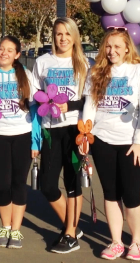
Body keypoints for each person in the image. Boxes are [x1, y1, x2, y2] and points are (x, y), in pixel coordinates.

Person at [81, 27, 140, 261]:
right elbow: (90, 107)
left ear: (127, 48)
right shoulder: (96, 72)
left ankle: (136, 242)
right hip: (102, 140)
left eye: (117, 47)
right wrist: (85, 136)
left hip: (130, 142)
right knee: (110, 194)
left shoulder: (139, 71)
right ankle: (116, 242)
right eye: (108, 47)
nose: (112, 51)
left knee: (131, 194)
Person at [32, 17, 88, 254]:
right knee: (47, 185)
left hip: (75, 130)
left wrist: (72, 106)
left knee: (73, 183)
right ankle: (72, 225)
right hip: (50, 129)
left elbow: (91, 99)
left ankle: (70, 234)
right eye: (58, 34)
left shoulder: (84, 63)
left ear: (74, 36)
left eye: (67, 34)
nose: (63, 38)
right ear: (53, 36)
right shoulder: (42, 62)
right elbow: (35, 93)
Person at [0, 36, 41, 249]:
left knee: (18, 183)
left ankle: (16, 230)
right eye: (1, 48)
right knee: (2, 184)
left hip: (22, 136)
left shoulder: (27, 76)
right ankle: (5, 226)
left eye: (9, 50)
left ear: (17, 54)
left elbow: (34, 112)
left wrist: (35, 142)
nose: (3, 52)